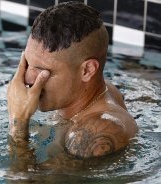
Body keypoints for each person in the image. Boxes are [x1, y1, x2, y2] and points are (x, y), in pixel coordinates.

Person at [7, 1, 138, 162]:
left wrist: (17, 121)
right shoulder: (94, 94)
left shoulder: (94, 135)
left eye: (43, 71)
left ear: (87, 70)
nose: (28, 78)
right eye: (27, 63)